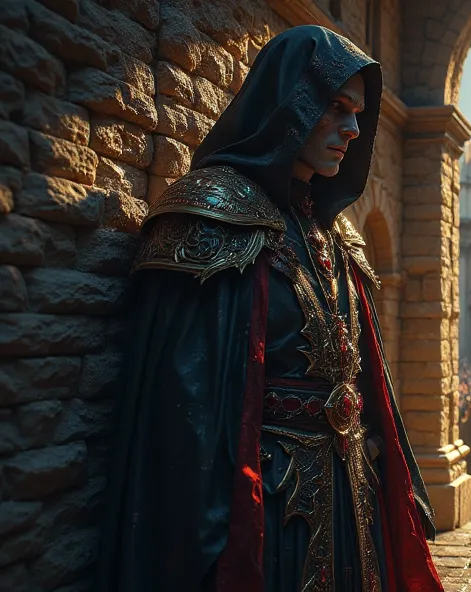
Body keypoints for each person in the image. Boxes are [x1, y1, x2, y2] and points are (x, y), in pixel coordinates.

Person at [95, 26, 442, 592]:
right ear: (292, 100)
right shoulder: (213, 213)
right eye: (335, 107)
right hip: (270, 508)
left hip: (351, 496)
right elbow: (184, 407)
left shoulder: (333, 236)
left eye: (357, 112)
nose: (353, 129)